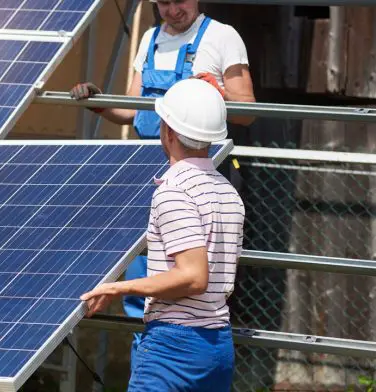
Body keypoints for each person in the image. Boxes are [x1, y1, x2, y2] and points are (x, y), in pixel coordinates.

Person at [70, 0, 254, 368]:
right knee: (147, 279)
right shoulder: (149, 38)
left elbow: (248, 110)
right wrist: (99, 102)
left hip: (201, 172)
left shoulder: (222, 37)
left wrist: (216, 89)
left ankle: (184, 365)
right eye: (163, 3)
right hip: (150, 179)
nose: (172, 10)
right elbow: (134, 109)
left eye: (179, 0)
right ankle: (151, 365)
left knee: (192, 281)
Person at [80, 79, 245, 391]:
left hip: (174, 348)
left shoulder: (174, 190)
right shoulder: (227, 190)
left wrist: (119, 287)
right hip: (219, 343)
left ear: (167, 130)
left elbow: (194, 276)